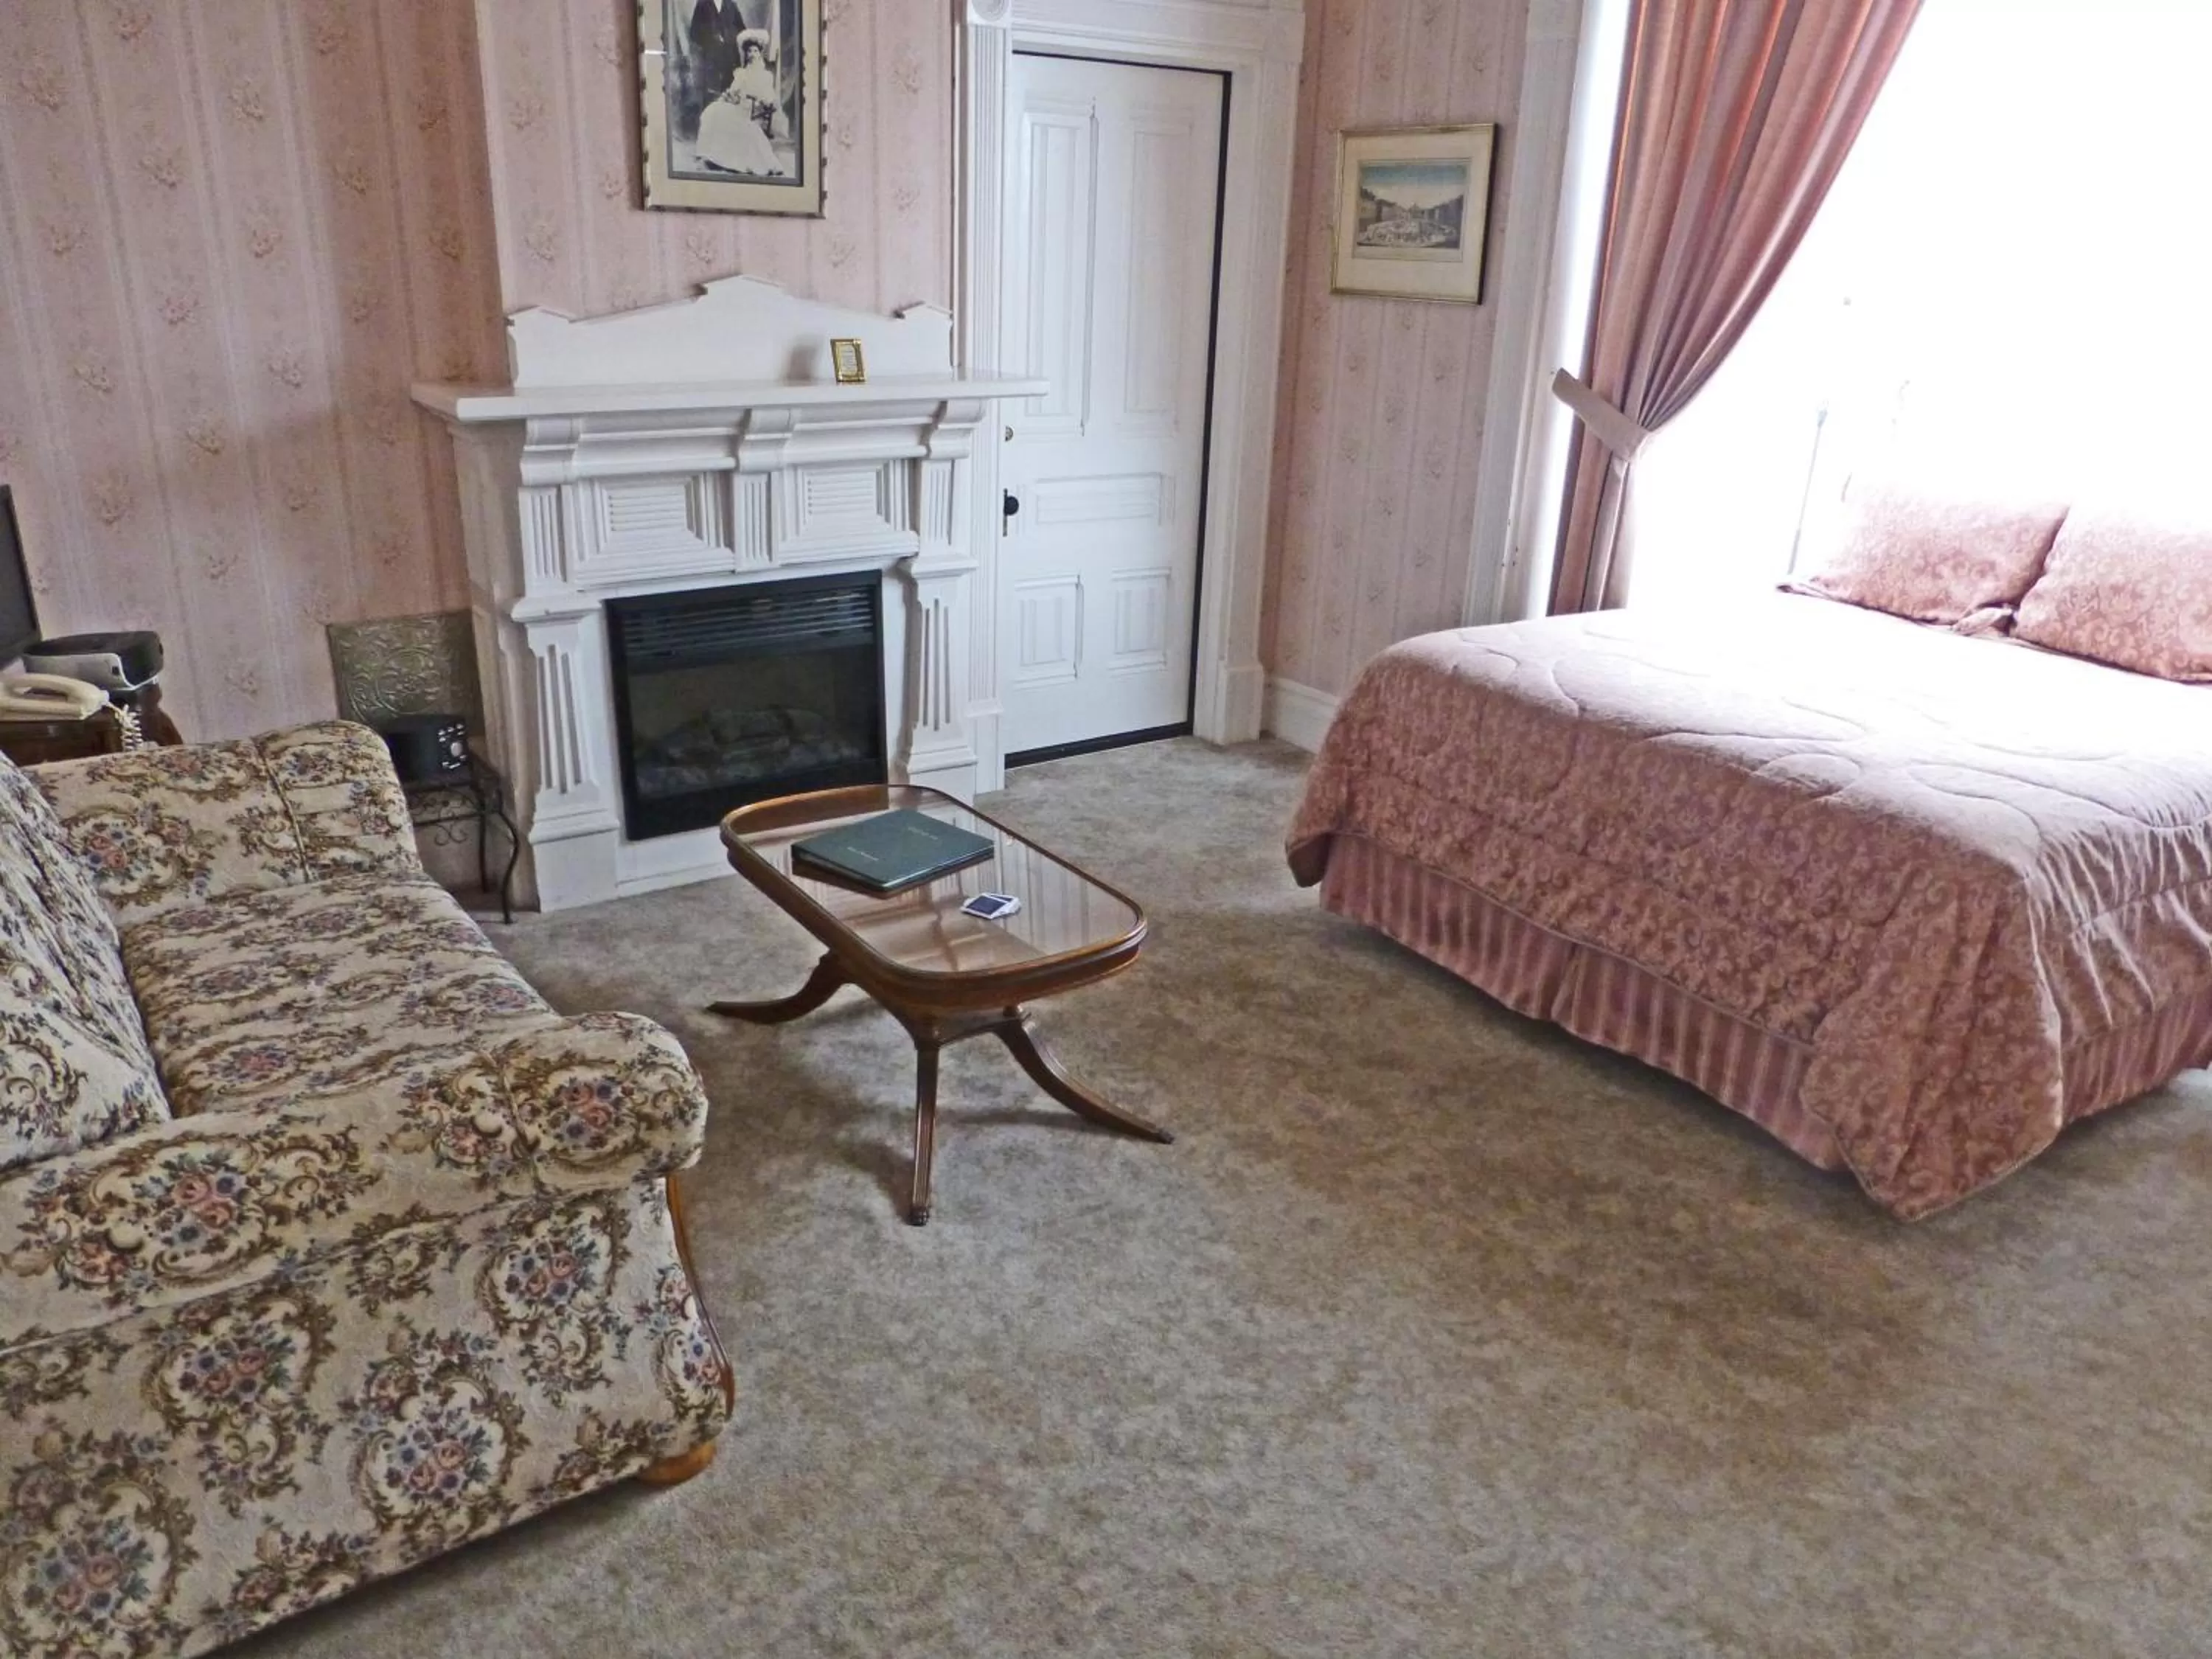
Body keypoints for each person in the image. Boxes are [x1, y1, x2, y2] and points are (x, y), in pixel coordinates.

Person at [695, 32, 785, 177]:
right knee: (713, 111)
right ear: (746, 54)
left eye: (756, 51)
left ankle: (740, 160)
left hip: (753, 109)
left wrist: (758, 99)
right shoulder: (741, 73)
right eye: (749, 51)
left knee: (738, 124)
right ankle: (712, 156)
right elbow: (733, 90)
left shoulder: (766, 76)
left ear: (760, 53)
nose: (752, 54)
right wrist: (729, 96)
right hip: (738, 106)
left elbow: (769, 98)